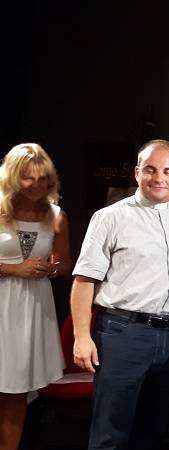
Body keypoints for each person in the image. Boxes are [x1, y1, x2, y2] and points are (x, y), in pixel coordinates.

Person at [71, 139, 169, 449]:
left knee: (152, 430)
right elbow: (84, 279)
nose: (160, 177)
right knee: (110, 432)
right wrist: (81, 336)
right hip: (122, 334)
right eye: (151, 169)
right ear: (136, 172)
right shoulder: (110, 217)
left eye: (168, 170)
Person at [0, 143, 71, 450]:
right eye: (29, 178)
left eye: (43, 179)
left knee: (15, 390)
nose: (36, 185)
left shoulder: (56, 215)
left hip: (30, 311)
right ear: (13, 177)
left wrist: (52, 269)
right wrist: (13, 269)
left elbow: (65, 263)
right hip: (3, 301)